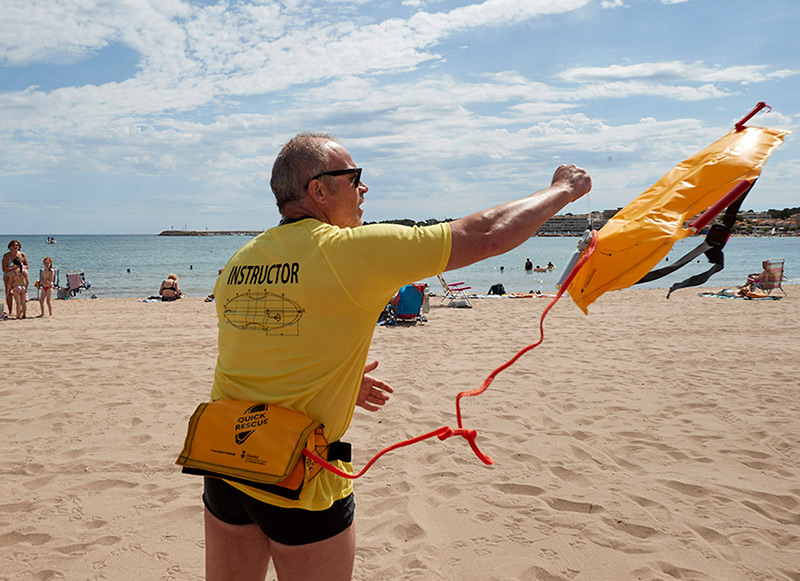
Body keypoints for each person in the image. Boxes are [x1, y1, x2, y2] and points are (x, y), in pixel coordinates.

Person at [203, 131, 591, 580]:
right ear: (319, 190)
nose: (363, 188)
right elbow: (484, 235)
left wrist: (341, 382)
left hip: (228, 460)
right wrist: (563, 189)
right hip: (301, 476)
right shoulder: (347, 250)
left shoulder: (240, 261)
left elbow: (262, 349)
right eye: (354, 177)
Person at [3, 240, 28, 316]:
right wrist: (14, 269)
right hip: (8, 276)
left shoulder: (22, 255)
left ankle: (20, 310)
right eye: (13, 245)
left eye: (17, 245)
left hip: (19, 277)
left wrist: (21, 269)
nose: (15, 247)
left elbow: (27, 265)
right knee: (9, 294)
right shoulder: (6, 256)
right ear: (10, 247)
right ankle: (10, 311)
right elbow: (4, 269)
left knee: (20, 293)